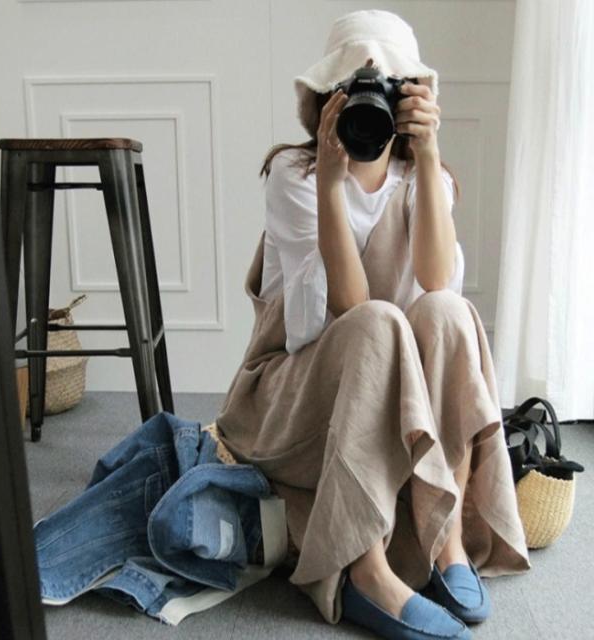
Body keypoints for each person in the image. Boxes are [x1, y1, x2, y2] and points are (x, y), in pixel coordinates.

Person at [215, 9, 531, 640]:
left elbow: (437, 282)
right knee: (376, 320)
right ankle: (364, 569)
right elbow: (349, 306)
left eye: (387, 89)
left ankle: (445, 541)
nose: (371, 106)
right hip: (295, 398)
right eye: (354, 88)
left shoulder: (423, 178)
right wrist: (333, 187)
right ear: (327, 99)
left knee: (448, 309)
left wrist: (430, 154)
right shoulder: (295, 175)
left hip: (392, 401)